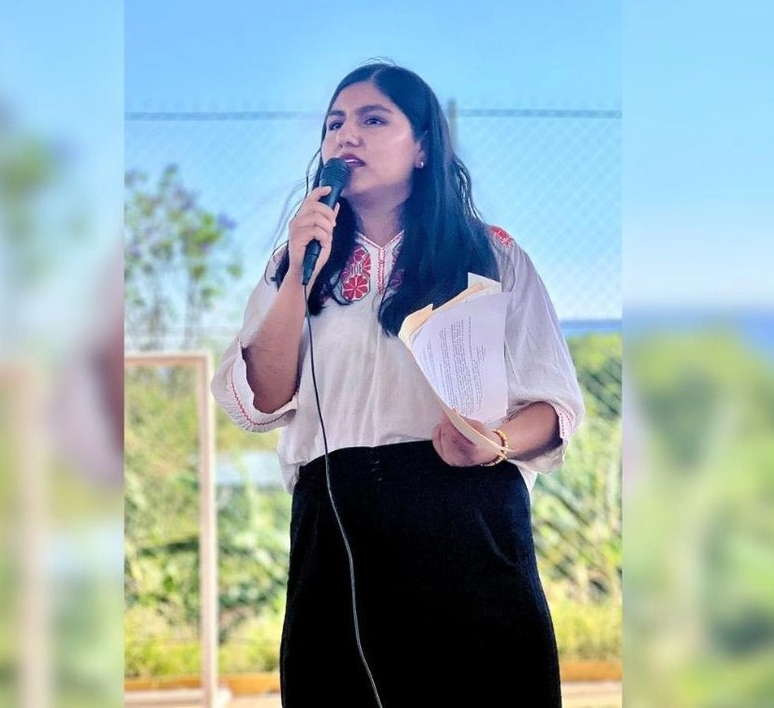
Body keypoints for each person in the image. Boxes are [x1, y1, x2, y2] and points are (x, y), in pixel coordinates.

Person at [211, 61, 584, 707]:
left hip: (466, 517)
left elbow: (555, 405)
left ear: (423, 148)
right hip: (337, 525)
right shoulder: (293, 265)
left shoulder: (491, 255)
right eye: (334, 124)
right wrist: (299, 275)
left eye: (374, 119)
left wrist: (493, 443)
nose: (346, 136)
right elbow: (261, 398)